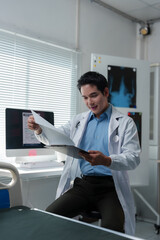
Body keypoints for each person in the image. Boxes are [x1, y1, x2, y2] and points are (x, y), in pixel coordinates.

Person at [28, 71, 141, 235]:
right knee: (50, 216)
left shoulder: (125, 123)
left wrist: (107, 160)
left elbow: (133, 158)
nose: (89, 102)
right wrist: (39, 129)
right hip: (83, 185)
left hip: (110, 188)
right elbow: (55, 137)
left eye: (93, 95)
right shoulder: (78, 120)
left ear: (106, 92)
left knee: (113, 230)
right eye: (85, 97)